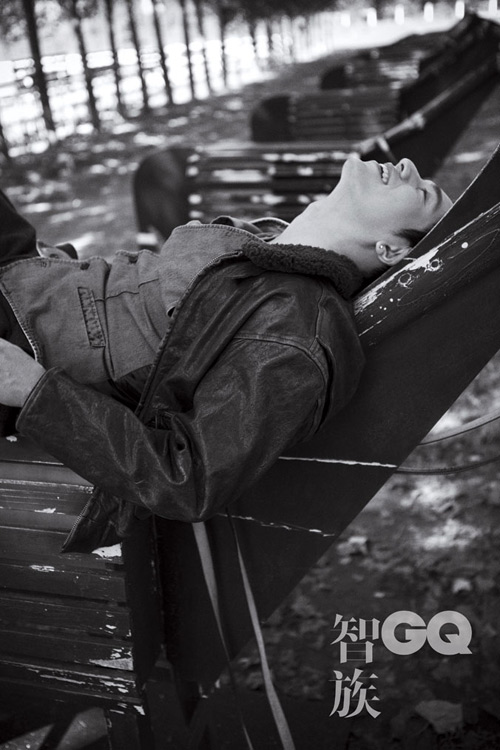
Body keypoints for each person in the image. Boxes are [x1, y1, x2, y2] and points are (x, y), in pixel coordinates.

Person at [0, 156, 452, 553]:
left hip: (21, 337)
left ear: (390, 249)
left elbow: (190, 479)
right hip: (30, 277)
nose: (409, 167)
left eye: (424, 194)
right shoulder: (277, 248)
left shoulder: (293, 333)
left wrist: (34, 390)